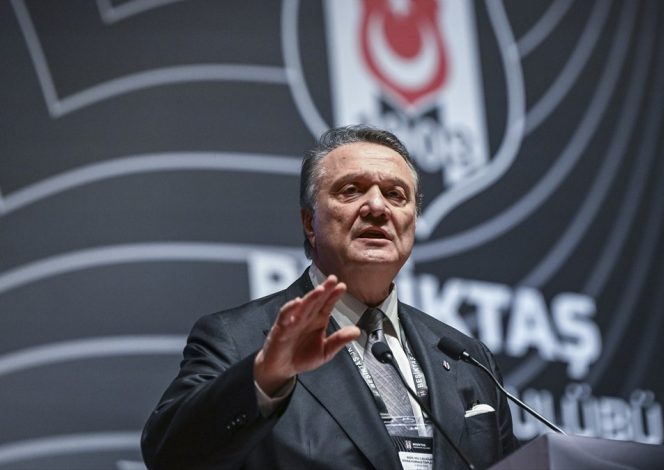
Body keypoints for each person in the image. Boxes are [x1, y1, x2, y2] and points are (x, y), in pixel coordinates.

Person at [141, 126, 516, 469]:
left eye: (395, 195)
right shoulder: (239, 339)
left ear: (412, 223)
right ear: (310, 223)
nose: (377, 207)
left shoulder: (468, 359)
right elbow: (169, 456)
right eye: (351, 190)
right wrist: (265, 378)